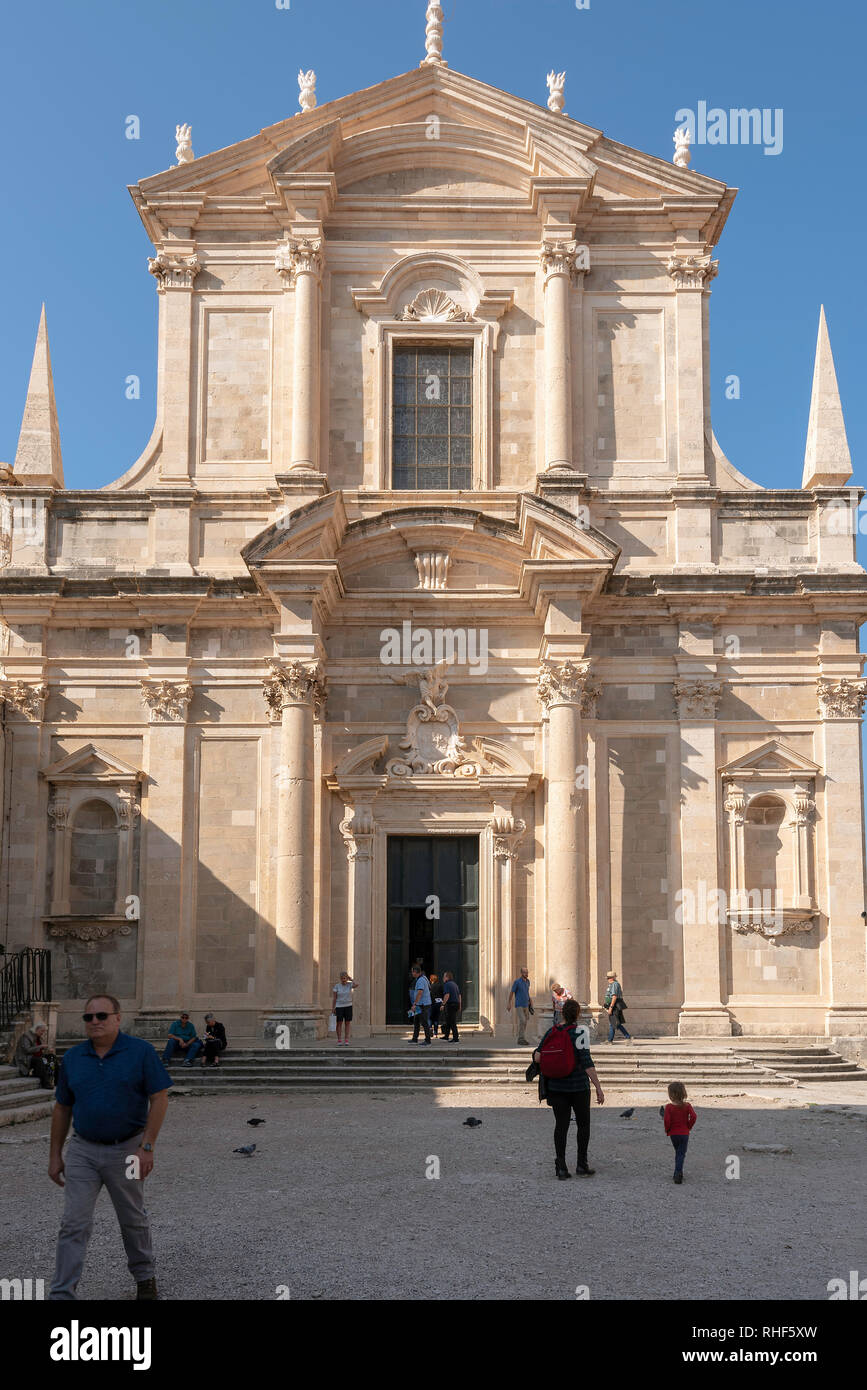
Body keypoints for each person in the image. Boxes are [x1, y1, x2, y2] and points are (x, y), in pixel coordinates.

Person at [47, 993, 172, 1301]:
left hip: (128, 1148)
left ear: (118, 1018)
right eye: (89, 1017)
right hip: (82, 1150)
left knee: (132, 1218)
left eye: (102, 1016)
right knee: (73, 1223)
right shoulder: (74, 1058)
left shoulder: (140, 1052)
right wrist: (54, 1155)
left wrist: (147, 1147)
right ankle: (62, 1294)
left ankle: (145, 1278)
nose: (95, 1022)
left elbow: (159, 1097)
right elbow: (62, 1107)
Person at [534, 998, 604, 1179]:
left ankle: (561, 1166)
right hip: (579, 1086)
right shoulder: (581, 1032)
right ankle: (582, 1164)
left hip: (557, 1086)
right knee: (583, 1125)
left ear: (562, 1013)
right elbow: (587, 1062)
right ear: (578, 1015)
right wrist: (598, 1086)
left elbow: (538, 1057)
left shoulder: (553, 1030)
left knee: (561, 1126)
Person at [663, 1081, 697, 1184]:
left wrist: (667, 1129)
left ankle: (677, 1172)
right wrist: (688, 1127)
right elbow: (694, 1116)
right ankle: (678, 1173)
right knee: (681, 1154)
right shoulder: (687, 1106)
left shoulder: (668, 1107)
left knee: (678, 1153)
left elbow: (666, 1120)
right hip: (684, 1134)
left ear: (670, 1094)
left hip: (673, 1134)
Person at [14, 1020, 55, 1090]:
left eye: (44, 1031)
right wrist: (41, 1047)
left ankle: (53, 1080)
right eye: (42, 1031)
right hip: (25, 1058)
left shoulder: (38, 1037)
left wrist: (47, 1051)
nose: (43, 1033)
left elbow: (39, 1051)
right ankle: (45, 1083)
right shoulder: (26, 1036)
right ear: (37, 1029)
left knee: (51, 1058)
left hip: (34, 1057)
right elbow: (27, 1050)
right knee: (39, 1060)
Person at [507, 968, 533, 1045]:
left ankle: (522, 1038)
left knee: (525, 1022)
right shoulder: (517, 982)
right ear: (521, 973)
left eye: (527, 972)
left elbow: (527, 992)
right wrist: (509, 1003)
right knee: (523, 1020)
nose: (526, 973)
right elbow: (512, 992)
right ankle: (521, 1039)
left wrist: (530, 1001)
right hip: (519, 1005)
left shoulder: (528, 982)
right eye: (525, 972)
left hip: (526, 1005)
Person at [604, 971, 631, 1043]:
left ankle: (627, 1037)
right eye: (607, 978)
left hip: (614, 1006)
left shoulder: (614, 984)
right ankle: (610, 1040)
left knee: (615, 1023)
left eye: (609, 978)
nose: (608, 979)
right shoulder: (612, 984)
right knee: (614, 1023)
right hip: (612, 1005)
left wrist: (611, 1007)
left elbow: (614, 996)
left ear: (612, 978)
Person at [408, 965, 432, 1044]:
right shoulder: (423, 978)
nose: (411, 973)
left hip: (422, 1004)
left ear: (415, 972)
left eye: (412, 971)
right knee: (416, 1021)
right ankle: (415, 1039)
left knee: (424, 1022)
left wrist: (414, 1003)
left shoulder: (421, 980)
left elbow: (420, 992)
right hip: (421, 1004)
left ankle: (428, 1040)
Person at [331, 972, 357, 1045]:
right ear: (340, 979)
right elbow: (334, 998)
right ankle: (339, 1040)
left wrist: (351, 979)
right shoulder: (337, 986)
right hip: (339, 1006)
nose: (343, 980)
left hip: (348, 1006)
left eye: (345, 978)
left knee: (347, 1023)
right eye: (342, 978)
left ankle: (346, 1040)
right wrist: (333, 1008)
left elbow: (357, 984)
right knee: (339, 1023)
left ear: (346, 978)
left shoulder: (349, 985)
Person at [441, 970, 461, 1043]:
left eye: (444, 976)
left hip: (451, 1005)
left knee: (452, 1022)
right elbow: (459, 996)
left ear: (447, 977)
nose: (443, 978)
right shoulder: (455, 984)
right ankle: (446, 1036)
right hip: (456, 1004)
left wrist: (443, 1004)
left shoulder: (447, 984)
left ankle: (456, 1038)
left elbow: (447, 995)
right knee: (448, 1021)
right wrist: (460, 1005)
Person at [429, 973, 442, 1038]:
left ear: (431, 979)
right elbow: (442, 994)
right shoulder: (440, 985)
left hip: (432, 1003)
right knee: (436, 1018)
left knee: (430, 1017)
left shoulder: (430, 986)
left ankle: (430, 1029)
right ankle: (435, 1033)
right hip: (439, 1003)